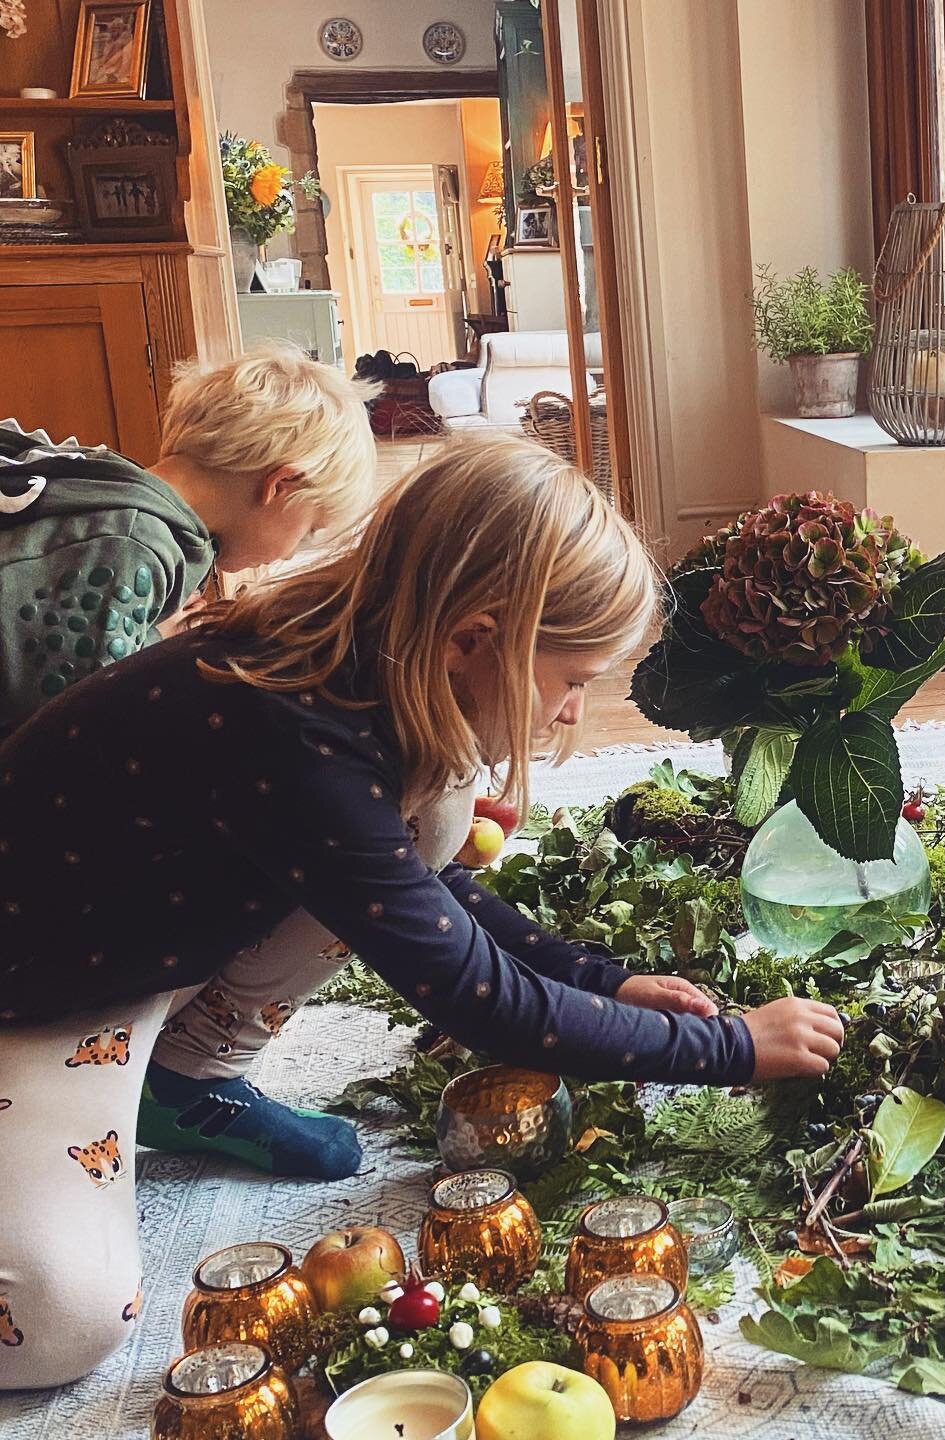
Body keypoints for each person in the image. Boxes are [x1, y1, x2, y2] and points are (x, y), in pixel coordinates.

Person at [0, 432, 844, 1390]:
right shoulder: (292, 732)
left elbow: (416, 886)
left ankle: (185, 1076)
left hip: (158, 932)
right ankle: (123, 1083)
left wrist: (608, 980)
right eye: (571, 682)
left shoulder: (362, 669)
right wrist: (729, 1049)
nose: (571, 714)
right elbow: (477, 996)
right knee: (65, 1319)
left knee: (439, 805)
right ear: (472, 639)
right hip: (48, 995)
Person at [0, 343, 378, 738]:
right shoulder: (133, 545)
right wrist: (158, 645)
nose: (288, 555)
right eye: (308, 532)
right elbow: (76, 721)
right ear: (280, 486)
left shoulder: (111, 485)